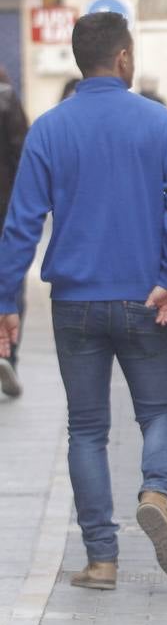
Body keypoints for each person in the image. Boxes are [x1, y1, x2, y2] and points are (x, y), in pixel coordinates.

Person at [0, 11, 167, 590]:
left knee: (87, 430)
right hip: (146, 298)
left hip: (76, 305)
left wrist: (5, 300)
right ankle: (156, 493)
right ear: (123, 58)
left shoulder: (50, 128)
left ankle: (101, 560)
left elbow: (20, 224)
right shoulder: (157, 123)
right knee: (161, 412)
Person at [0, 68, 28, 399]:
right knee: (8, 283)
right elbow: (22, 159)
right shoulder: (6, 98)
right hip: (5, 211)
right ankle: (8, 356)